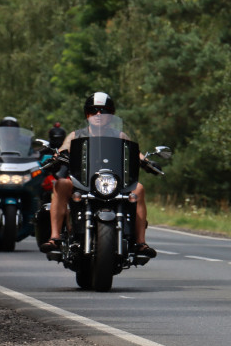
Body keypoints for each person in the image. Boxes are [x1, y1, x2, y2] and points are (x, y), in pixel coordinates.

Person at [39, 92, 156, 258]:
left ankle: (140, 243)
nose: (99, 114)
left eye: (104, 110)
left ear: (111, 115)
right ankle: (55, 237)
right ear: (87, 114)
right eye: (94, 111)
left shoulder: (120, 136)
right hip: (82, 182)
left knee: (139, 188)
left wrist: (147, 161)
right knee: (60, 184)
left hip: (112, 184)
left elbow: (136, 153)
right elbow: (64, 149)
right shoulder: (76, 135)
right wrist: (58, 156)